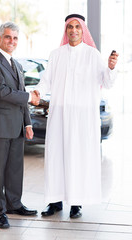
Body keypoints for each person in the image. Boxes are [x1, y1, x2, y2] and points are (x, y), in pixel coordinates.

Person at [34, 14, 119, 218]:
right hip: (59, 117)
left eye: (77, 27)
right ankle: (54, 202)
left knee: (78, 159)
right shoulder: (56, 54)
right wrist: (37, 92)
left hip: (83, 119)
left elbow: (106, 83)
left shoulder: (93, 55)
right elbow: (46, 80)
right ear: (66, 30)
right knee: (56, 157)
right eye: (70, 27)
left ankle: (76, 204)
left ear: (83, 30)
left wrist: (111, 67)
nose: (73, 30)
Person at [0, 22, 40, 229]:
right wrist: (30, 97)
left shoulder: (17, 64)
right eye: (8, 37)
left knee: (15, 170)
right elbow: (3, 93)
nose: (12, 42)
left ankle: (14, 204)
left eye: (15, 38)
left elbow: (21, 94)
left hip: (16, 126)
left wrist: (28, 123)